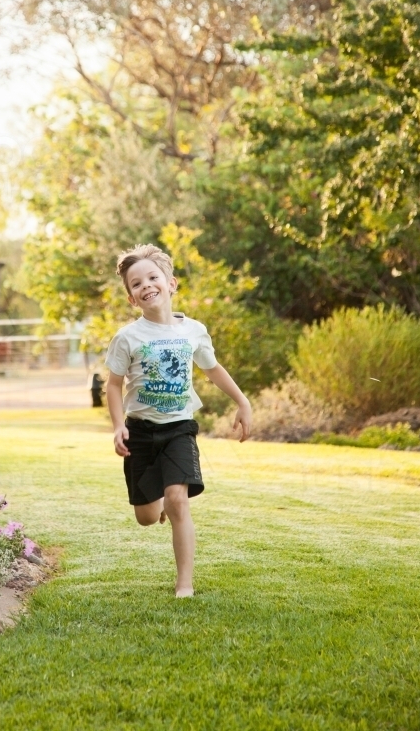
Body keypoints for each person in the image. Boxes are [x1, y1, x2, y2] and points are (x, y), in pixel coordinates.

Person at [105, 243, 252, 598]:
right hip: (140, 431)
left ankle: (184, 584)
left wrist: (242, 401)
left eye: (153, 277)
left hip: (179, 429)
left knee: (178, 499)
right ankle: (159, 508)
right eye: (136, 284)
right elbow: (113, 384)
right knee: (145, 515)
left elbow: (212, 369)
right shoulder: (128, 337)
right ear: (131, 298)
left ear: (171, 283)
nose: (146, 285)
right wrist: (117, 425)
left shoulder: (194, 331)